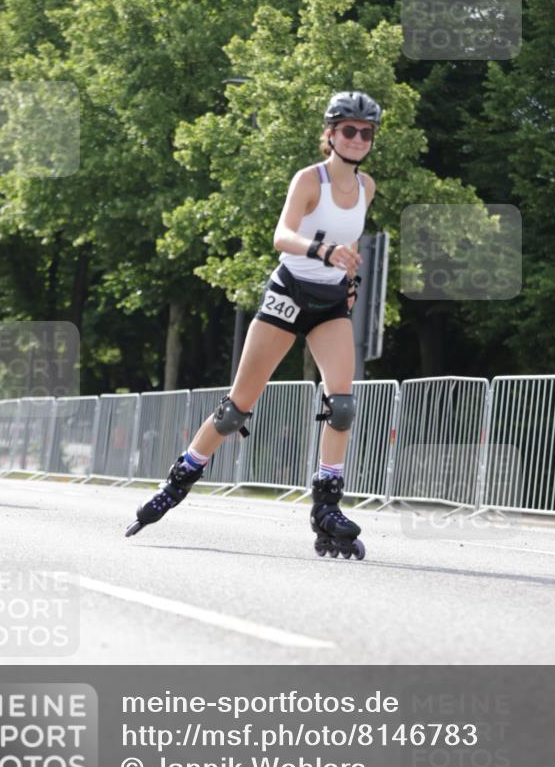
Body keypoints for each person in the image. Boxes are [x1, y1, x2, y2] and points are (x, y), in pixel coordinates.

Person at [125, 91, 382, 560]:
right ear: (330, 134)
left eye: (366, 132)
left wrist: (349, 275)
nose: (358, 139)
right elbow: (281, 235)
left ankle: (326, 507)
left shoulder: (366, 188)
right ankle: (178, 480)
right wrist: (323, 252)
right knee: (236, 409)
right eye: (349, 130)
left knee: (342, 405)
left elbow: (351, 240)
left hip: (330, 303)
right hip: (289, 294)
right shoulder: (310, 179)